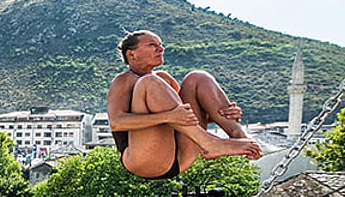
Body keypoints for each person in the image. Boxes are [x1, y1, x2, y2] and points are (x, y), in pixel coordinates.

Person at [107, 31, 262, 179]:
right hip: (145, 161)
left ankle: (242, 138)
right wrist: (168, 116)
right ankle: (209, 143)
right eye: (152, 45)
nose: (161, 49)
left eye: (160, 45)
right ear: (131, 54)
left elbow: (184, 118)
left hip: (181, 154)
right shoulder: (123, 81)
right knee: (149, 81)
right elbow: (116, 123)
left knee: (198, 77)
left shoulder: (163, 79)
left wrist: (220, 113)